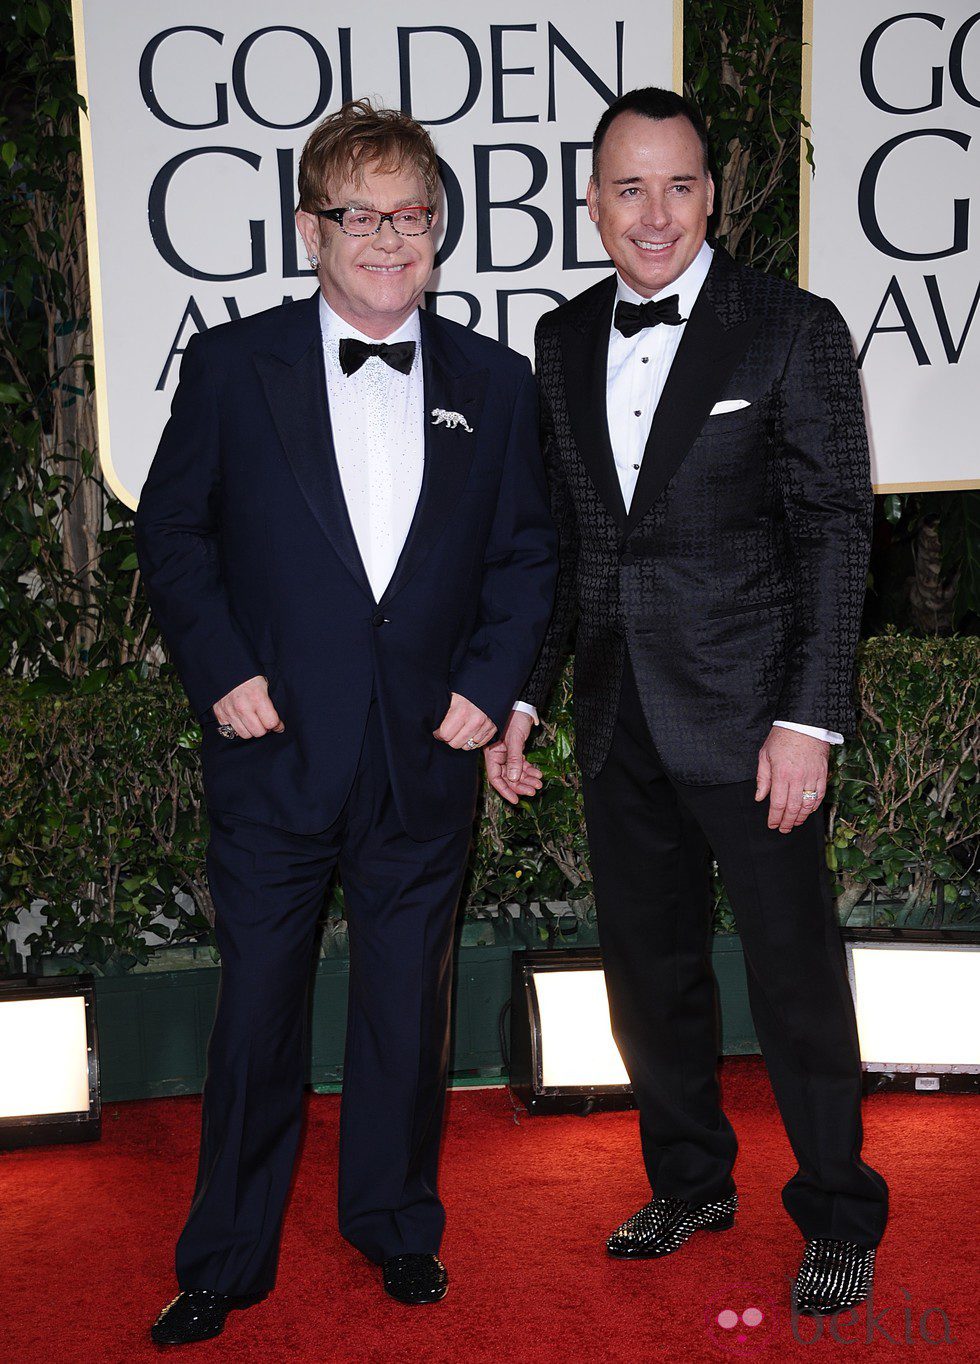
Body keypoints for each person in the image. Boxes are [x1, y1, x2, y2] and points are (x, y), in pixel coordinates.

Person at [136, 98, 556, 1346]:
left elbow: (527, 557)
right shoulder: (232, 363)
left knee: (402, 1015)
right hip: (271, 749)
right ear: (310, 227)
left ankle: (392, 1224)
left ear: (438, 227)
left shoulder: (496, 378)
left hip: (422, 754)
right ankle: (222, 1255)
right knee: (257, 1006)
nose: (387, 238)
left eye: (409, 214)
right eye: (359, 215)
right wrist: (217, 667)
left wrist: (491, 687)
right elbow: (173, 531)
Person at [487, 87, 888, 1316]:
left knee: (792, 977)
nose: (651, 213)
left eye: (676, 185)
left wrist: (807, 718)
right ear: (592, 200)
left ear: (711, 193)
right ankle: (689, 1178)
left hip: (753, 717)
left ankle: (835, 1208)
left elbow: (833, 531)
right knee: (645, 974)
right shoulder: (557, 343)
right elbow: (563, 547)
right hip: (618, 718)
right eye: (626, 187)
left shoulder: (788, 328)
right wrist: (524, 697)